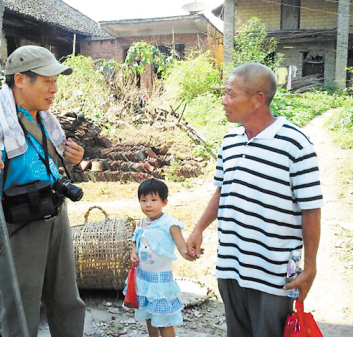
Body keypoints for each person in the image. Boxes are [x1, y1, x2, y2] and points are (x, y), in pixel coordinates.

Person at [0, 45, 86, 337]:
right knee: (22, 312)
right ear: (21, 79)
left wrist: (73, 159)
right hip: (16, 228)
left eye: (56, 80)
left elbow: (47, 166)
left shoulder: (43, 118)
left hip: (55, 219)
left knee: (68, 302)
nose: (54, 88)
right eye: (47, 80)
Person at [186, 63, 323, 337]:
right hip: (231, 264)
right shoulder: (229, 141)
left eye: (231, 94)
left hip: (273, 273)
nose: (224, 101)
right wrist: (199, 228)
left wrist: (310, 267)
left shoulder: (295, 144)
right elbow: (222, 190)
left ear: (258, 99)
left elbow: (311, 211)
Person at [129, 179, 190, 337]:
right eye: (143, 200)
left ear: (164, 202)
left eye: (153, 200)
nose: (148, 204)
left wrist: (190, 254)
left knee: (164, 322)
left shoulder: (170, 224)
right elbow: (136, 240)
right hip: (144, 280)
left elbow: (182, 248)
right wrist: (134, 253)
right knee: (149, 319)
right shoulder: (142, 222)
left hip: (161, 283)